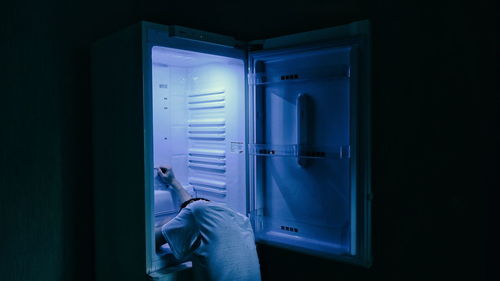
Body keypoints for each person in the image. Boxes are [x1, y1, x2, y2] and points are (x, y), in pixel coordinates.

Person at [155, 166, 262, 281]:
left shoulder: (196, 213)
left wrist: (164, 226)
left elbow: (152, 240)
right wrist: (174, 182)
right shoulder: (240, 220)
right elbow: (192, 205)